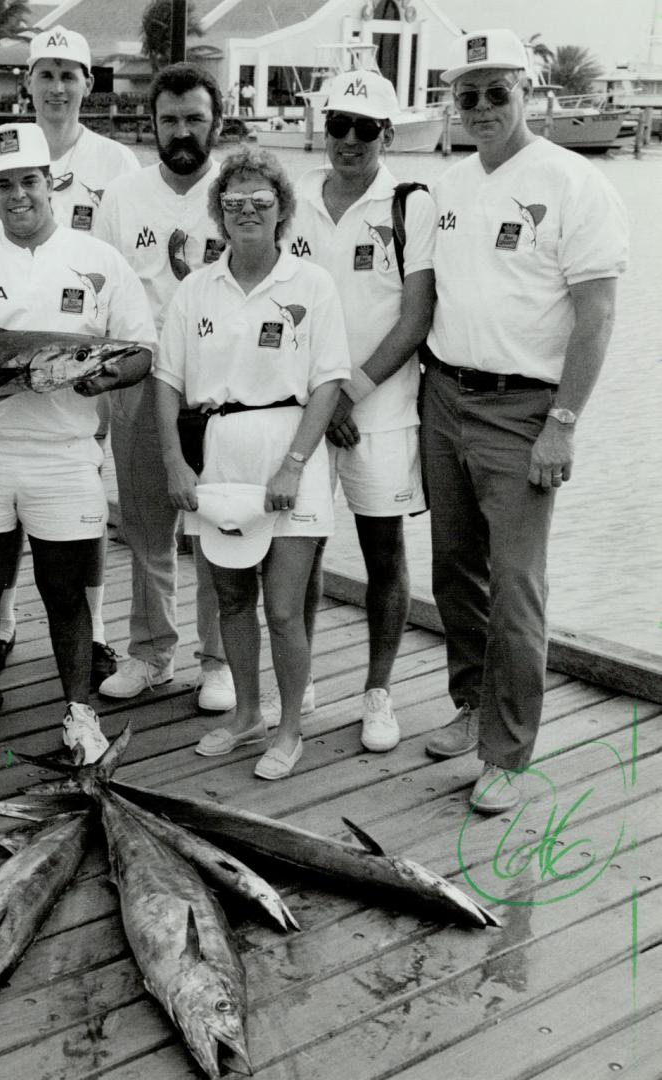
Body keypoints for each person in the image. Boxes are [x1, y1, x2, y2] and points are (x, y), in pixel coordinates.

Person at [420, 30, 627, 813]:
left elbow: (597, 315)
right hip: (442, 393)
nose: (479, 108)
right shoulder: (444, 184)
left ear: (527, 94)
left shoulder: (573, 182)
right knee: (451, 567)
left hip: (522, 408)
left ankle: (507, 751)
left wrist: (562, 422)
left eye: (495, 92)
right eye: (465, 95)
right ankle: (470, 703)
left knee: (516, 586)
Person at [0, 122, 155, 764]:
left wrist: (106, 374)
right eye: (2, 185)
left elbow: (140, 349)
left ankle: (79, 712)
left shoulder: (100, 261)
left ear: (50, 182)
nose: (17, 195)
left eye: (28, 181)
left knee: (66, 588)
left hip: (64, 455)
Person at [153, 148, 351, 781]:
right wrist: (175, 465)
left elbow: (327, 383)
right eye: (233, 203)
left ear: (282, 211)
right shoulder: (196, 287)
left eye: (259, 202)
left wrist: (294, 465)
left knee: (285, 608)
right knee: (232, 599)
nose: (245, 213)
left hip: (290, 454)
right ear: (219, 212)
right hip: (220, 457)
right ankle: (246, 716)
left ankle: (290, 728)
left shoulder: (311, 285)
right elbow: (165, 380)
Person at [289, 68, 437, 753]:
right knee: (304, 547)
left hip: (380, 411)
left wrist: (347, 392)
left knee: (384, 554)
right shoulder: (293, 203)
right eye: (338, 126)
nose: (348, 140)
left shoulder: (410, 204)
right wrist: (320, 399)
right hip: (306, 411)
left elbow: (413, 320)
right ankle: (303, 675)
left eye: (364, 129)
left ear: (386, 133)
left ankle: (377, 692)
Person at [93, 62, 235, 715]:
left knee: (218, 530)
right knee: (148, 532)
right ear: (150, 124)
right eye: (169, 120)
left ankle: (220, 659)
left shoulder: (241, 191)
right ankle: (150, 653)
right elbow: (98, 295)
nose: (181, 132)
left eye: (194, 119)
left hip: (222, 392)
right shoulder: (122, 196)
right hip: (141, 384)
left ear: (217, 122)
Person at [20, 26, 143, 686]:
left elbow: (122, 269)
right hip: (15, 358)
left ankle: (92, 629)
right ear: (29, 82)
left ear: (89, 85)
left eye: (70, 74)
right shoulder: (7, 151)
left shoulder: (115, 164)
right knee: (4, 489)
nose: (58, 87)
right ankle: (10, 621)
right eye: (46, 73)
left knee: (85, 502)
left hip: (86, 361)